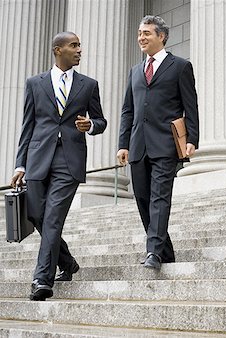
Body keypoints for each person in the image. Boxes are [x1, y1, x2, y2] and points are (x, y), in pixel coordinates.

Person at [10, 32, 107, 301]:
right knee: (37, 215)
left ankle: (42, 279)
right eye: (73, 46)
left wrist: (92, 126)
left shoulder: (89, 85)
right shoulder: (35, 83)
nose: (79, 50)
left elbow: (100, 120)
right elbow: (27, 126)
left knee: (53, 218)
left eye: (79, 45)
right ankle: (67, 262)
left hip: (70, 160)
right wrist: (20, 164)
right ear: (57, 50)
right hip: (38, 158)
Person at [117, 15, 199, 270]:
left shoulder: (180, 66)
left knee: (159, 198)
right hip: (138, 146)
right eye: (140, 33)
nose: (141, 37)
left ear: (161, 36)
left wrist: (192, 139)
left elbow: (190, 106)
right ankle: (166, 251)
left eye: (146, 33)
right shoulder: (135, 71)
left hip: (165, 145)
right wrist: (123, 144)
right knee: (142, 198)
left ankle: (153, 251)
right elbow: (128, 111)